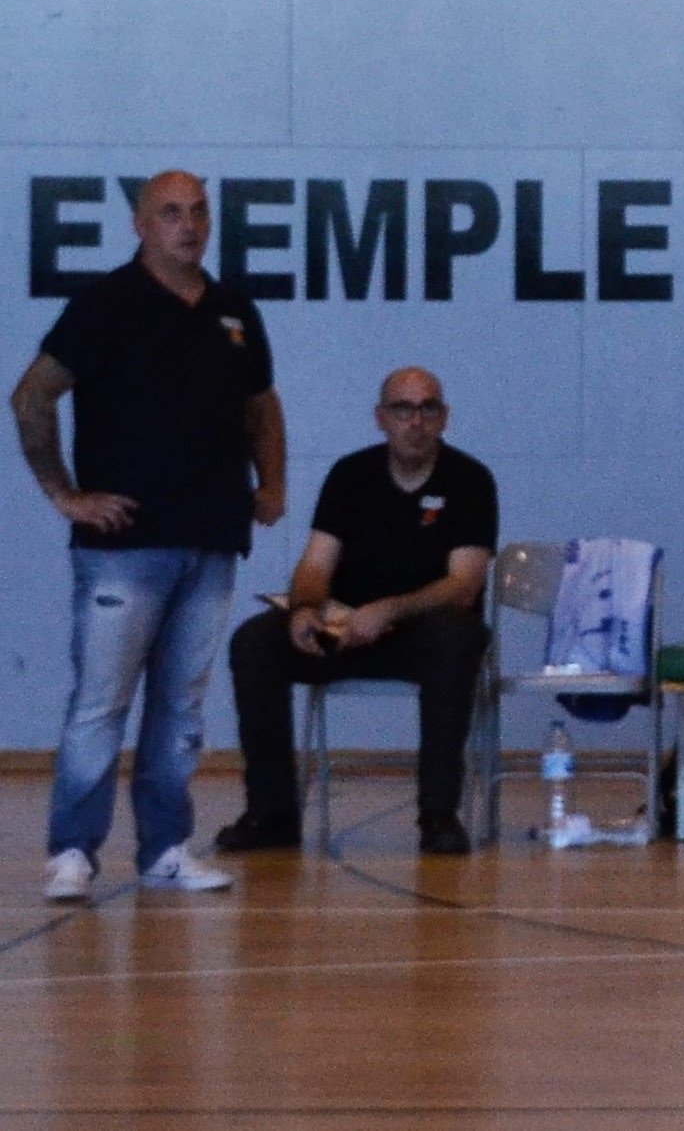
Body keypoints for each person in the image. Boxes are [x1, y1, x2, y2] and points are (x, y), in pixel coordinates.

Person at [8, 173, 285, 903]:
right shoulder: (105, 304)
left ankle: (165, 849)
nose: (186, 226)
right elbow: (32, 394)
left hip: (213, 537)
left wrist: (272, 485)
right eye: (170, 213)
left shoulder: (233, 311)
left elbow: (261, 404)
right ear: (139, 225)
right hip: (125, 548)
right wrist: (64, 495)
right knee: (102, 702)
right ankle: (71, 850)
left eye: (197, 213)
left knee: (182, 708)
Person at [215, 368, 495, 858]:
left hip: (420, 634)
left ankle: (439, 815)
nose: (415, 422)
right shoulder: (350, 475)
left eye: (428, 408)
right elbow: (315, 563)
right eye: (403, 409)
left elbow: (464, 584)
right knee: (255, 643)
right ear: (381, 418)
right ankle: (272, 813)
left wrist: (388, 611)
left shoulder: (469, 480)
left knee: (458, 638)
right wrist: (304, 608)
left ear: (444, 418)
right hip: (343, 631)